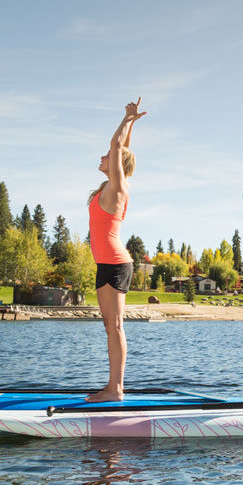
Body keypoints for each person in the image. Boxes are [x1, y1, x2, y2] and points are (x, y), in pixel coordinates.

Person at [85, 97, 146, 403]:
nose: (104, 155)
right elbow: (122, 149)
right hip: (105, 263)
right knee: (110, 325)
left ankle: (115, 389)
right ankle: (113, 387)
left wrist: (126, 120)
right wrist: (131, 122)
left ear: (117, 163)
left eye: (108, 155)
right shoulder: (109, 186)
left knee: (115, 325)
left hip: (115, 263)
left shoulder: (117, 189)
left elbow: (117, 146)